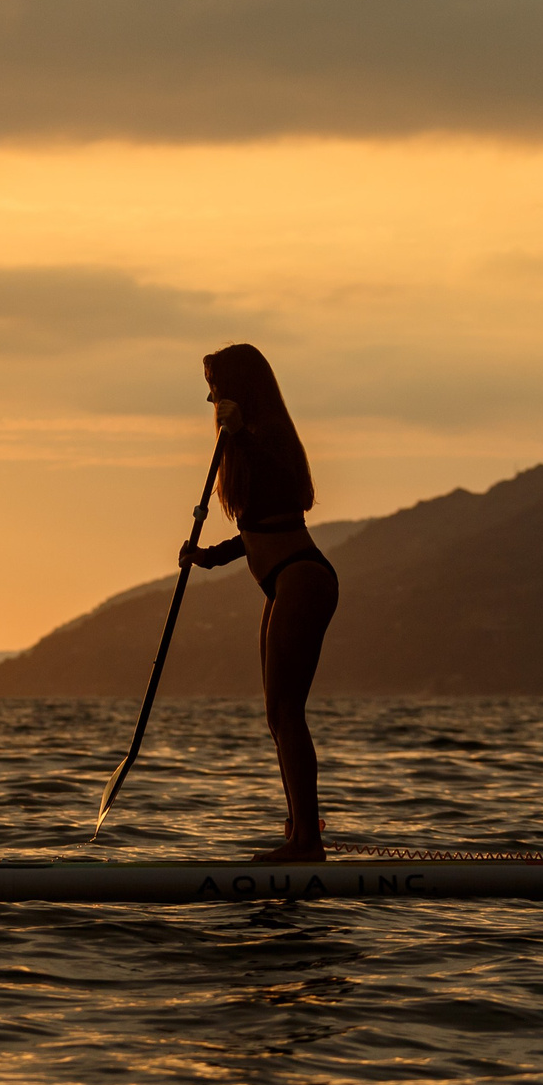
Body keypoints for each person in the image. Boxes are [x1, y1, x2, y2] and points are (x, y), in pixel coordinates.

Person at [178, 344, 339, 862]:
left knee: (288, 712)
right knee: (276, 715)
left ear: (239, 389)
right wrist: (207, 558)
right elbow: (257, 528)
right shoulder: (246, 442)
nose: (209, 397)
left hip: (303, 579)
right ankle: (299, 830)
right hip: (280, 583)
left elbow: (291, 488)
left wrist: (242, 433)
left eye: (215, 387)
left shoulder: (268, 438)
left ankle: (307, 844)